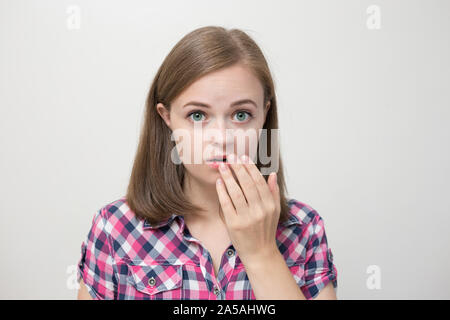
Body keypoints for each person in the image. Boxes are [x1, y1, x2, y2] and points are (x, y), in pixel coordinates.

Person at [76, 25, 338, 300]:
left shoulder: (304, 228)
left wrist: (262, 254)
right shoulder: (115, 228)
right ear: (167, 118)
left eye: (241, 115)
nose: (222, 139)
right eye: (198, 116)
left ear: (264, 115)